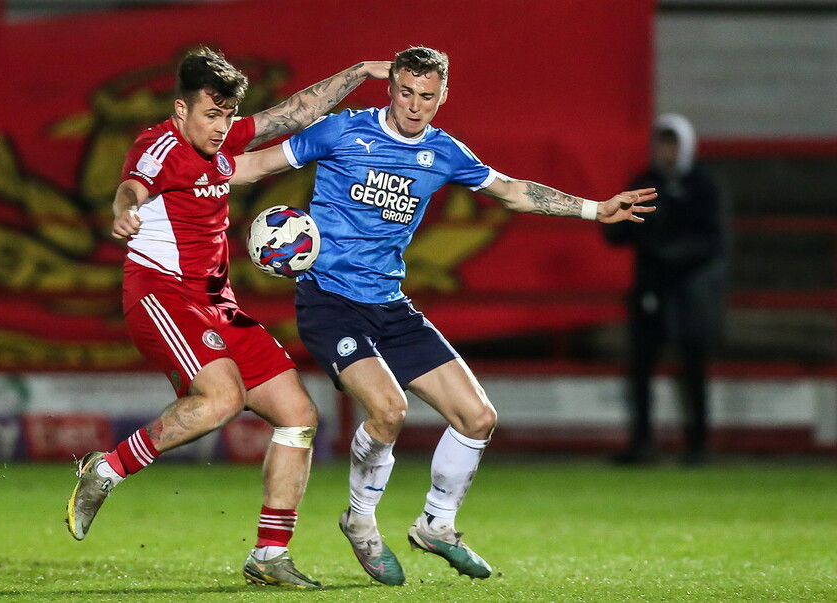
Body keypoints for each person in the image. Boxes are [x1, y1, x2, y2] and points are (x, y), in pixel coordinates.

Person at [233, 46, 656, 585]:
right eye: (405, 93)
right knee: (388, 410)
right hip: (330, 302)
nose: (414, 107)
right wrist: (175, 180)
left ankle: (437, 524)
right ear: (391, 89)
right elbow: (254, 165)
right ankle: (360, 522)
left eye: (427, 97)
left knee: (478, 417)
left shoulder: (444, 152)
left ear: (443, 96)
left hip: (390, 303)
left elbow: (512, 192)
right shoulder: (341, 132)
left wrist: (597, 209)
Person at [65, 46, 391, 589]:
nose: (220, 128)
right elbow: (133, 185)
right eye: (210, 115)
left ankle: (269, 554)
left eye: (225, 115)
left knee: (299, 415)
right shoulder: (159, 145)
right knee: (221, 399)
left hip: (217, 303)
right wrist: (124, 210)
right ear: (179, 111)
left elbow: (292, 114)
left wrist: (357, 73)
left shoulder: (223, 141)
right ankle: (105, 469)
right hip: (162, 294)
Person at [605, 113, 730, 466]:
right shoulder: (645, 183)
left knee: (693, 367)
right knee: (641, 367)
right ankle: (641, 443)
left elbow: (713, 241)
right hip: (651, 291)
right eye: (662, 143)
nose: (667, 151)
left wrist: (667, 249)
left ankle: (698, 445)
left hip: (692, 293)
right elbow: (616, 233)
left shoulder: (703, 187)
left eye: (673, 143)